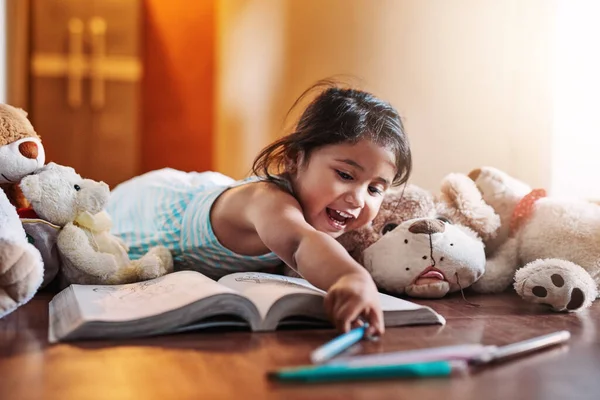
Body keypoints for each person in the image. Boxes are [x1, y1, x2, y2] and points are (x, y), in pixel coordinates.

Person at [107, 80, 412, 336]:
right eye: (345, 175)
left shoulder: (318, 210)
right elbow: (299, 243)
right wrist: (351, 278)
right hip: (151, 208)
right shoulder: (268, 200)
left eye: (374, 189)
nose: (358, 199)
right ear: (294, 157)